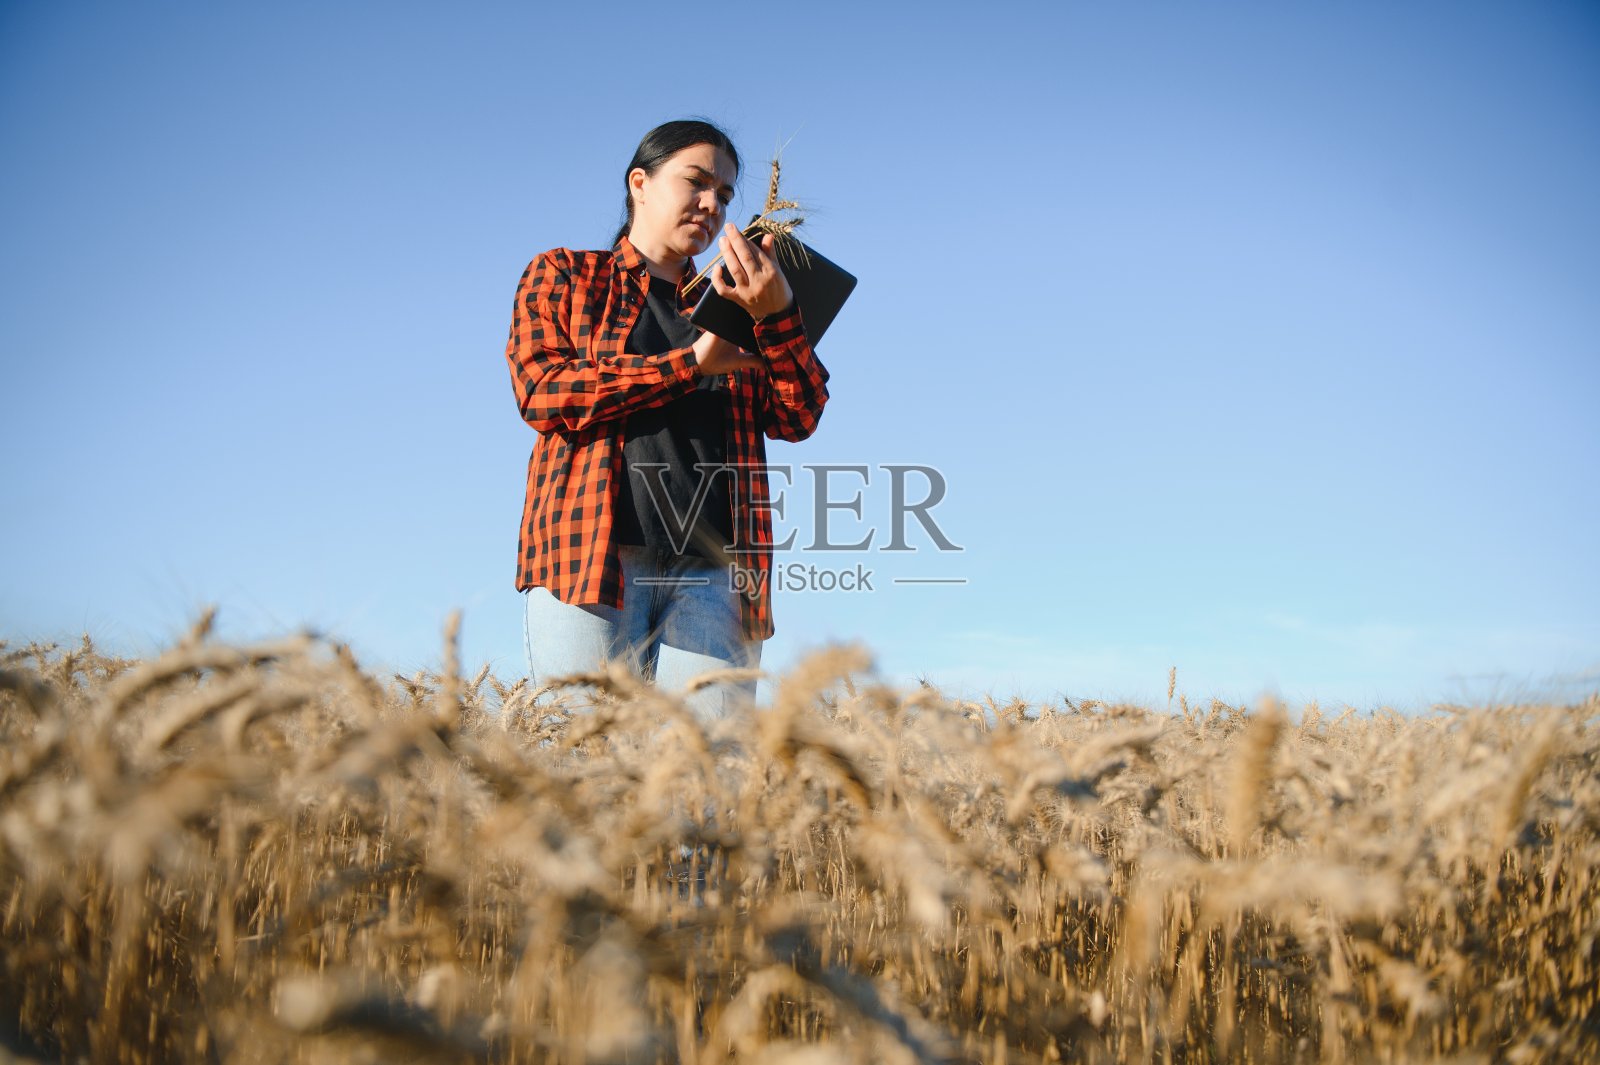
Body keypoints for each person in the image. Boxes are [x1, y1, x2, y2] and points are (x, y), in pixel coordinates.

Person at [503, 118, 830, 721]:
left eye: (726, 195)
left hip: (718, 572)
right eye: (697, 182)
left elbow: (798, 415)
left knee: (706, 782)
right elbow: (544, 393)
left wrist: (779, 314)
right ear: (640, 183)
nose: (712, 204)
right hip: (593, 560)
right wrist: (689, 364)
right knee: (584, 768)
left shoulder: (739, 301)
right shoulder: (566, 275)